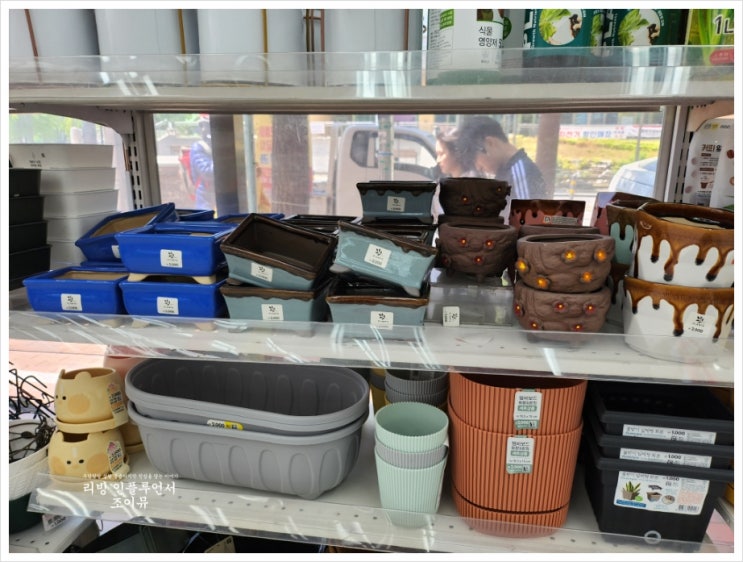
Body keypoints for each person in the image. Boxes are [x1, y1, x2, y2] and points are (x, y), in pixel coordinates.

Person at [456, 115, 548, 200]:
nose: (478, 168)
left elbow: (527, 212)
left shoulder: (520, 173)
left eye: (474, 160)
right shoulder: (506, 171)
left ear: (490, 143)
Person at [189, 115, 216, 211]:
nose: (204, 129)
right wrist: (222, 157)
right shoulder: (198, 147)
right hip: (205, 199)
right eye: (203, 126)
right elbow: (207, 172)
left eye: (207, 126)